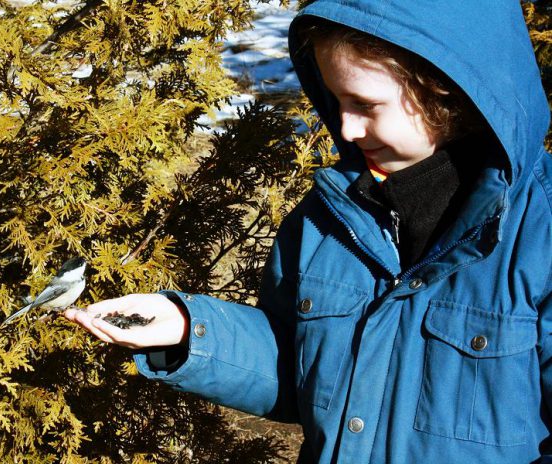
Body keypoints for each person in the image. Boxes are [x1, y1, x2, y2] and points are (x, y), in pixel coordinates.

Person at [64, 1, 552, 462]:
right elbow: (298, 365)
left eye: (366, 103)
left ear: (443, 86)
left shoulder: (539, 231)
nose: (348, 128)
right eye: (337, 100)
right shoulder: (327, 217)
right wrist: (189, 329)